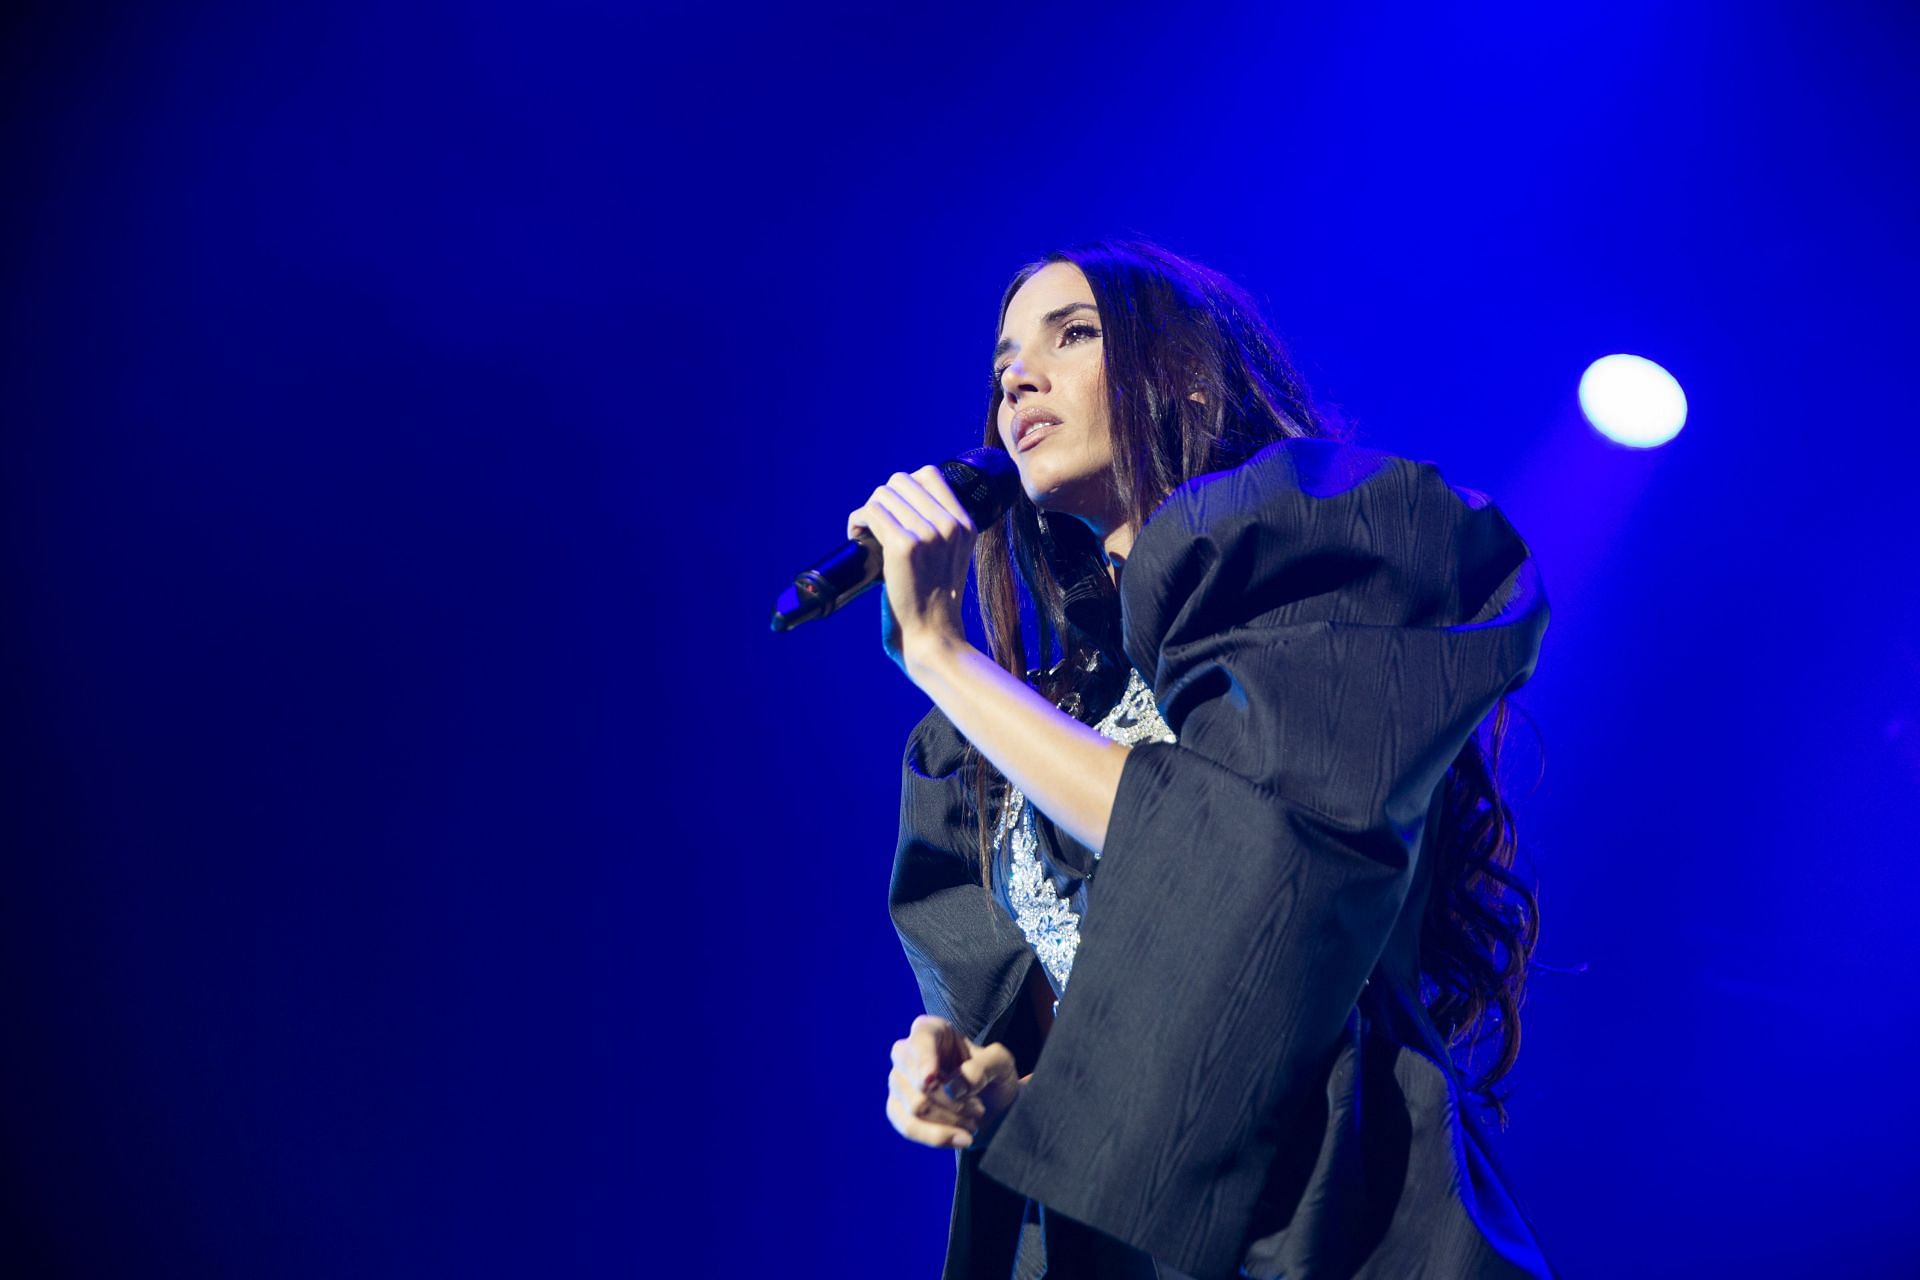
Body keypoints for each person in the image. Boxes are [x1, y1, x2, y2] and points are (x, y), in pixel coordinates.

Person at [849, 238, 1555, 1279]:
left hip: (1335, 1226)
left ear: (1186, 376)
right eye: (1004, 360)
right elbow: (1116, 1035)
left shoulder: (1313, 559)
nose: (1018, 377)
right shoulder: (1026, 725)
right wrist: (988, 1080)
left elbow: (1244, 848)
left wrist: (943, 654)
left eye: (1073, 334)